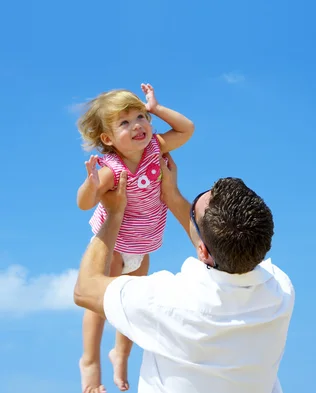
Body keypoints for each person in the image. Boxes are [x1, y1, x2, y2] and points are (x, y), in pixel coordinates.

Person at [73, 153, 295, 393]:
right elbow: (223, 250)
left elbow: (85, 289)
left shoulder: (166, 302)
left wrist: (114, 214)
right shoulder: (280, 291)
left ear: (202, 249)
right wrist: (171, 195)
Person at [75, 84, 195, 393]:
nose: (137, 126)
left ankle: (121, 354)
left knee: (133, 303)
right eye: (124, 123)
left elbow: (186, 129)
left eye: (141, 117)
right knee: (102, 303)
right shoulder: (111, 170)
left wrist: (157, 108)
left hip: (142, 246)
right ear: (108, 139)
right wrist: (91, 185)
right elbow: (84, 203)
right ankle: (90, 362)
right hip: (112, 246)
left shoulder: (156, 147)